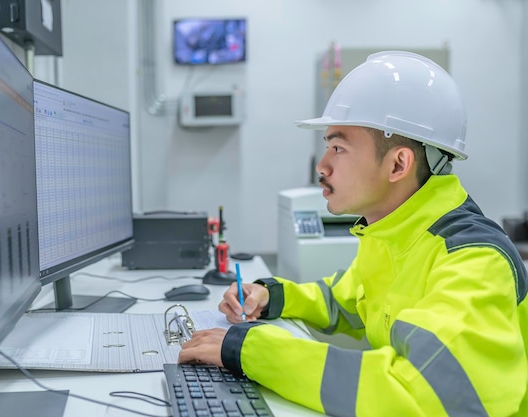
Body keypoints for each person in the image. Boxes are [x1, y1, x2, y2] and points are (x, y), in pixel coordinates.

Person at [179, 51, 528, 416]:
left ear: (398, 163)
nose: (322, 165)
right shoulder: (394, 233)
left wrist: (249, 350)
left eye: (338, 148)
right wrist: (271, 296)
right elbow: (343, 300)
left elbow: (419, 395)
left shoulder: (474, 261)